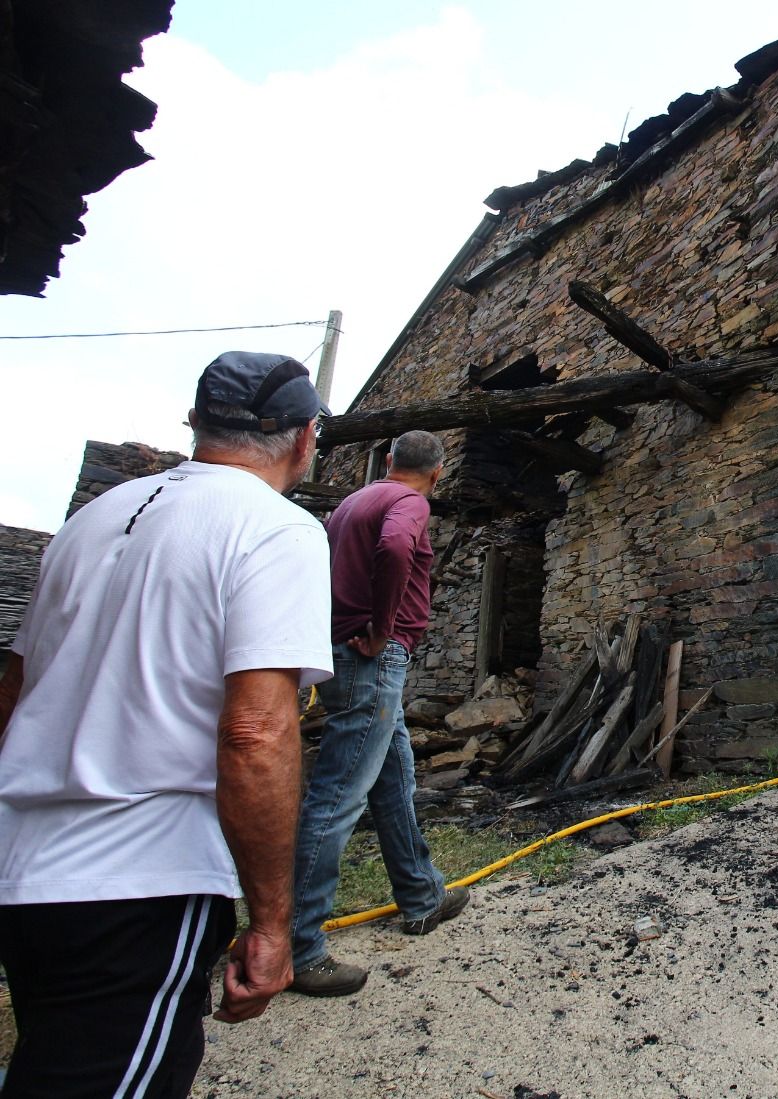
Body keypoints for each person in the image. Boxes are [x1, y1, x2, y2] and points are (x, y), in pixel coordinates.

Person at [0, 352, 332, 1096]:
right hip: (137, 879)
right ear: (306, 437)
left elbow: (15, 690)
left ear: (195, 425)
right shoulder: (277, 530)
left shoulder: (92, 520)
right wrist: (274, 923)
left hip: (23, 872)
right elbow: (256, 734)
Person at [290, 429, 468, 997]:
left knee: (395, 780)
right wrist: (382, 626)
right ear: (438, 471)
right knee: (337, 796)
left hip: (342, 651)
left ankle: (421, 897)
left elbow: (318, 557)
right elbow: (395, 550)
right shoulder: (410, 502)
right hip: (373, 656)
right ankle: (298, 948)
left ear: (388, 460)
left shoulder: (350, 502)